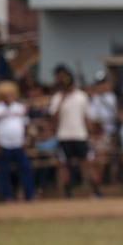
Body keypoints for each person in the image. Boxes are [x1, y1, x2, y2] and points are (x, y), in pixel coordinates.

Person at [49, 65, 99, 198]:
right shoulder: (57, 98)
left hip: (80, 136)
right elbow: (53, 118)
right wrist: (62, 100)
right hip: (64, 136)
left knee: (88, 164)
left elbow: (86, 118)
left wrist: (91, 134)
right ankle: (68, 193)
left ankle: (96, 191)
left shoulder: (81, 96)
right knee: (64, 165)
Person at [0, 80, 35, 202]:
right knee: (4, 172)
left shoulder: (20, 108)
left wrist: (26, 139)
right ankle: (7, 196)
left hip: (19, 143)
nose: (7, 97)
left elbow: (26, 125)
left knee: (25, 169)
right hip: (3, 144)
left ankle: (29, 195)